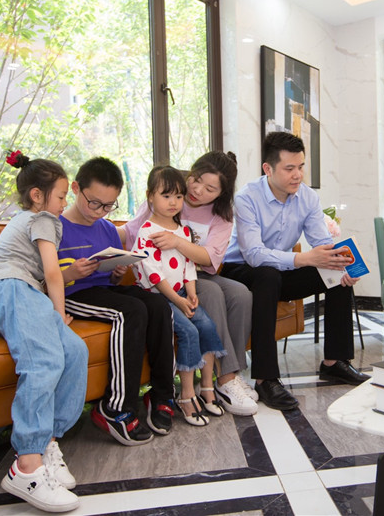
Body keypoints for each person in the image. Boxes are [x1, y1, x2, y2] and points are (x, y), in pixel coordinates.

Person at [220, 131, 369, 411]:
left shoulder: (308, 197)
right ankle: (265, 379)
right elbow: (254, 255)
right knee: (267, 275)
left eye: (301, 167)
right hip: (241, 270)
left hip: (280, 271)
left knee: (334, 274)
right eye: (289, 168)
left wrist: (343, 265)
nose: (297, 175)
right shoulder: (247, 198)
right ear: (268, 169)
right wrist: (303, 258)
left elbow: (322, 242)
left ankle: (334, 362)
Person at [0, 150, 85, 513]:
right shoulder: (42, 219)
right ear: (38, 196)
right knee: (44, 360)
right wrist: (59, 313)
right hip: (10, 291)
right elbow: (51, 274)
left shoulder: (33, 219)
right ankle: (27, 464)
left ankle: (47, 441)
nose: (65, 203)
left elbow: (48, 274)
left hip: (24, 295)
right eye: (61, 196)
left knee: (75, 352)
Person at [124, 152, 258, 416]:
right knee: (213, 292)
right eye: (196, 180)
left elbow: (210, 259)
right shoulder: (170, 191)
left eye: (209, 189)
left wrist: (178, 242)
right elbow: (132, 230)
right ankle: (224, 378)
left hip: (197, 271)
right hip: (170, 278)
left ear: (221, 194)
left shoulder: (222, 214)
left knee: (241, 294)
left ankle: (233, 372)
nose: (197, 190)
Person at [58, 157, 175, 444]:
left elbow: (110, 282)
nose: (100, 211)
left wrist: (117, 272)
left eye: (109, 206)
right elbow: (42, 278)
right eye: (94, 203)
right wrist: (70, 274)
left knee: (158, 305)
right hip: (71, 294)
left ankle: (162, 395)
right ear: (76, 188)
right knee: (130, 311)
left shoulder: (108, 229)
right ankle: (116, 408)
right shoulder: (55, 227)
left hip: (103, 291)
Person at [134, 165, 227, 426]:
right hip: (159, 297)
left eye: (178, 196)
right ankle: (186, 395)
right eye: (166, 196)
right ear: (150, 196)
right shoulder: (146, 232)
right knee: (189, 332)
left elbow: (188, 266)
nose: (173, 202)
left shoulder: (183, 232)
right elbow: (153, 274)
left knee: (207, 326)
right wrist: (178, 300)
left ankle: (206, 387)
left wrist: (192, 293)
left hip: (182, 293)